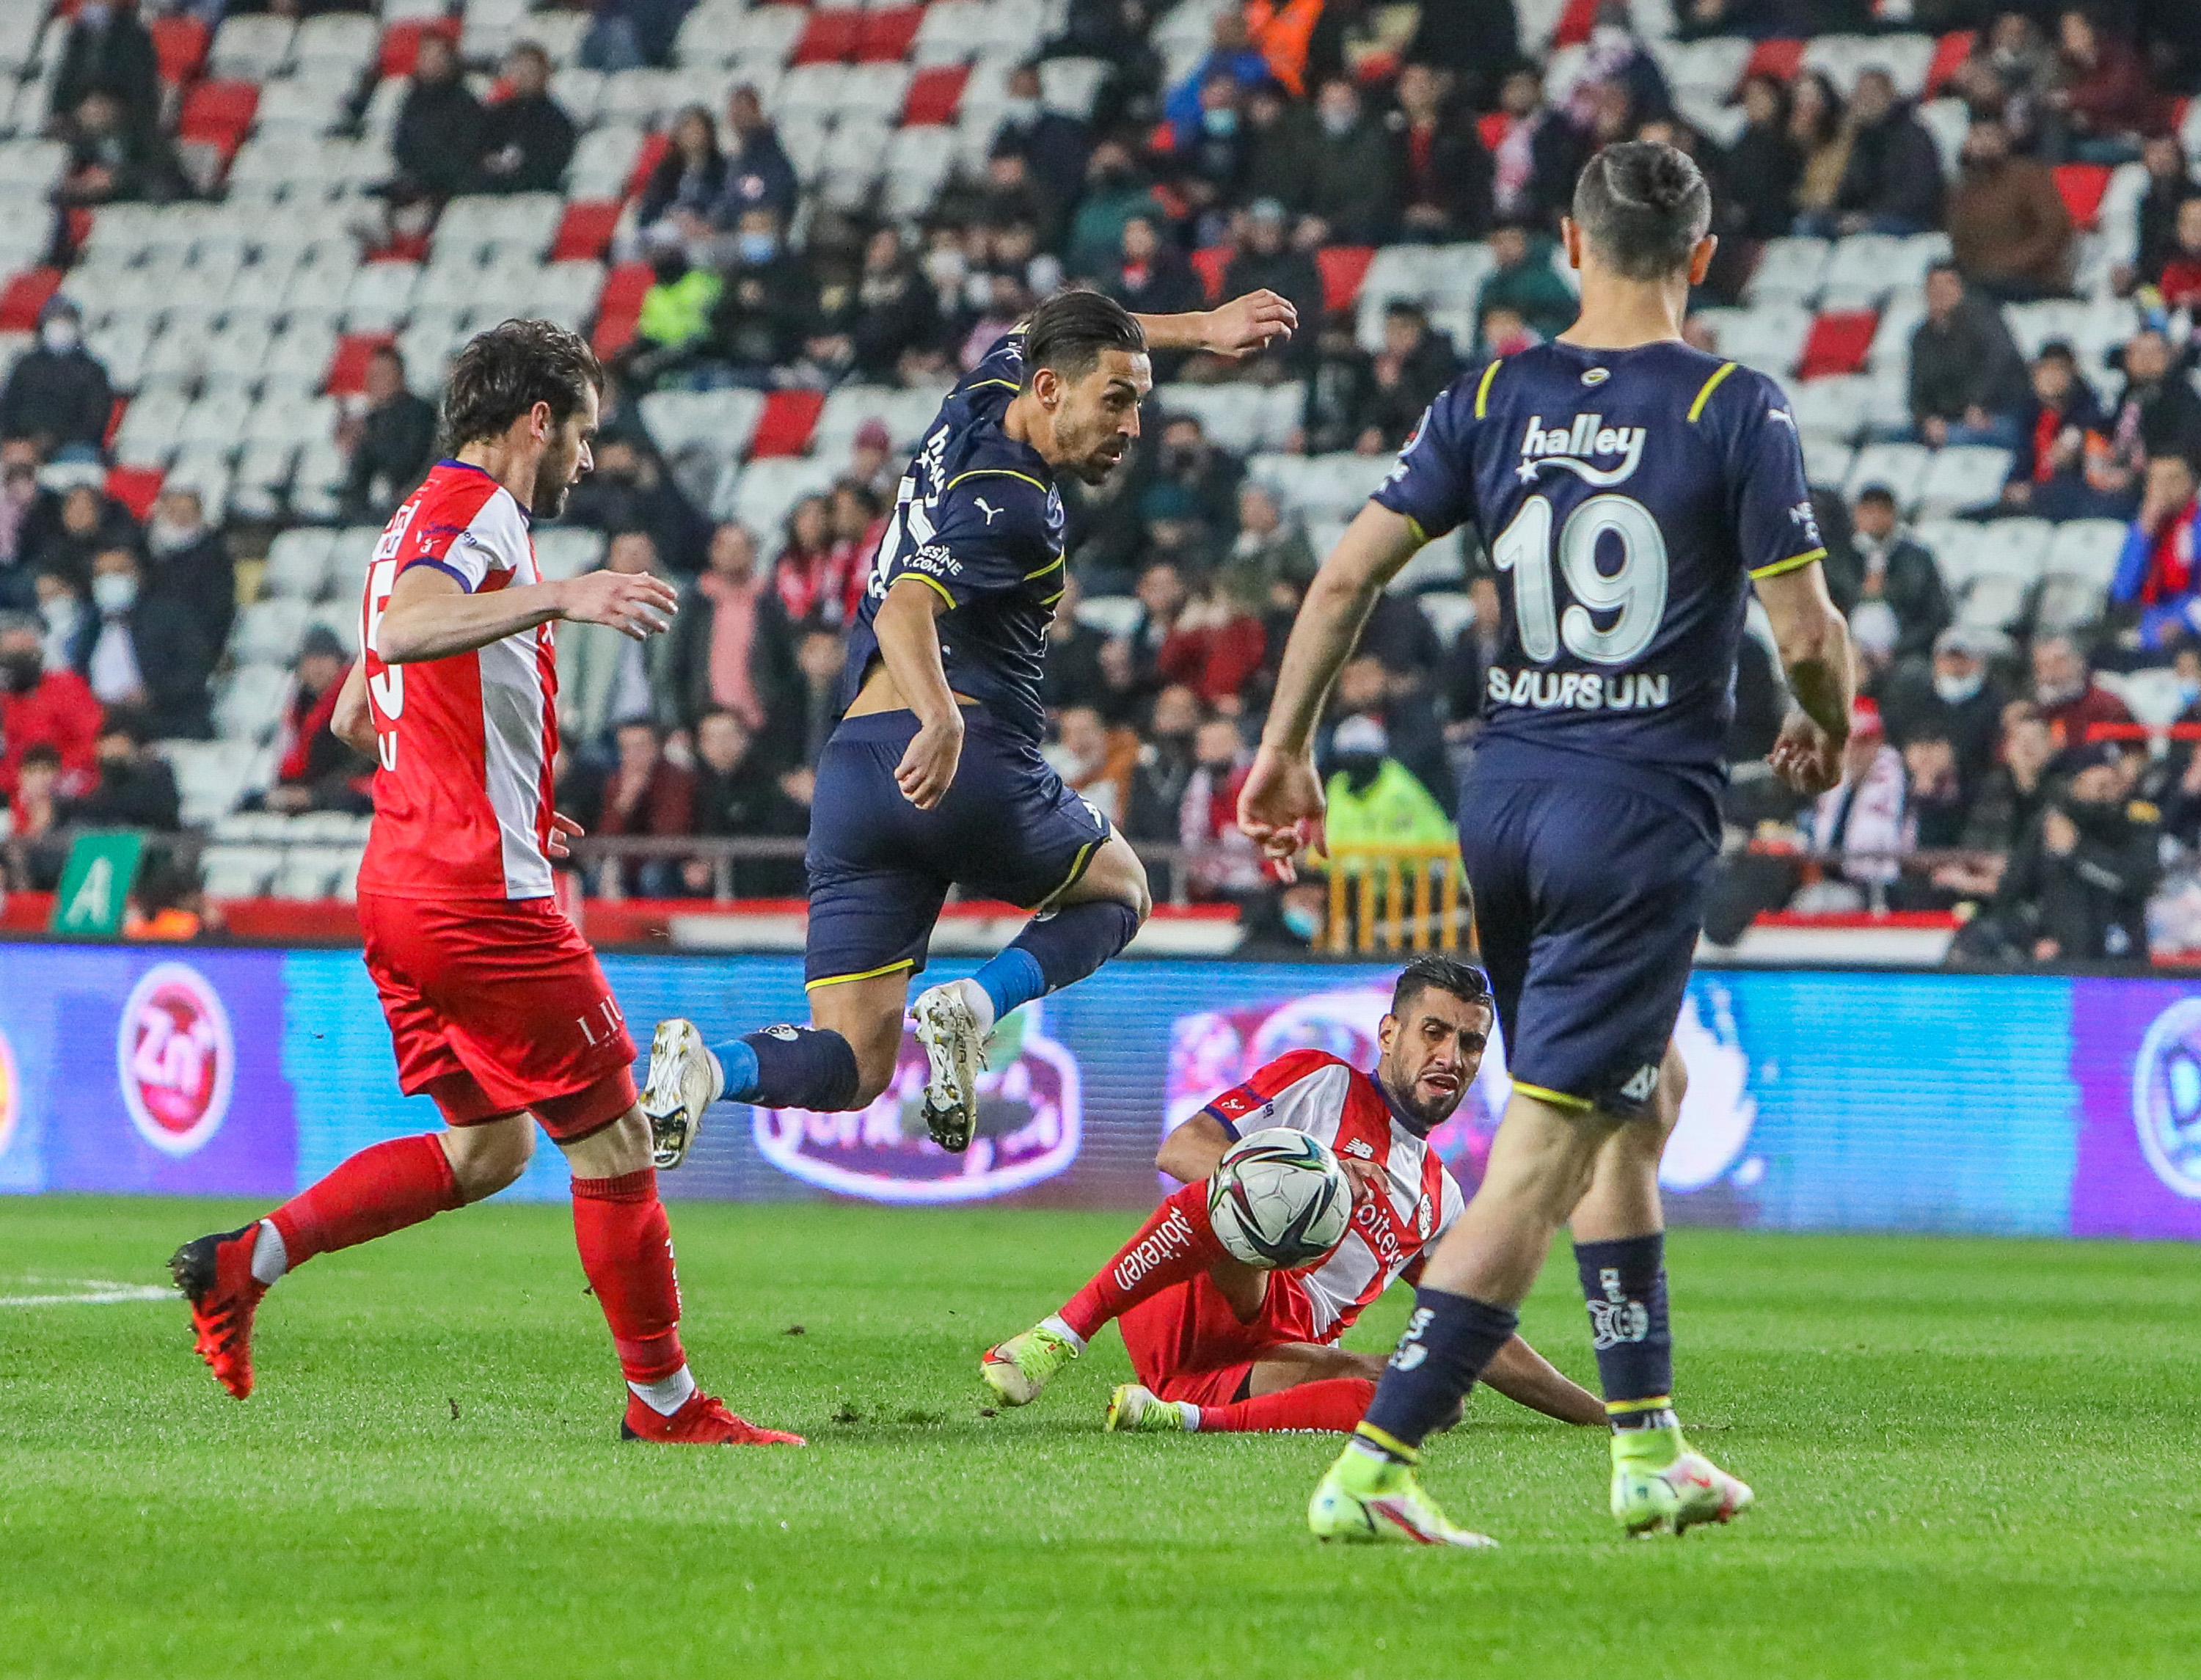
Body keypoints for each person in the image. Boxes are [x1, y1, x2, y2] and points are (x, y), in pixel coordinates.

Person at [1238, 141, 1853, 1545]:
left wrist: (1283, 750)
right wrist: (1829, 724)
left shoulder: (1491, 395)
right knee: (1549, 1146)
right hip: (1634, 816)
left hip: (1504, 804)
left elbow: (1346, 575)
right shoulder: (1730, 404)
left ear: (1570, 248)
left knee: (1643, 1097)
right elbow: (1807, 634)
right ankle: (1377, 1464)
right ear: (1703, 259)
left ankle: (1650, 1448)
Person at [169, 319, 800, 1449]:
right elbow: (412, 632)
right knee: (614, 1141)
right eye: (585, 435)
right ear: (537, 422)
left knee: (491, 1148)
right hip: (476, 898)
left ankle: (243, 1261)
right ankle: (665, 1403)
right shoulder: (479, 511)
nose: (591, 462)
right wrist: (564, 598)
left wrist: (494, 784)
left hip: (403, 881)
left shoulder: (406, 522)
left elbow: (361, 716)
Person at [640, 285, 1299, 1162]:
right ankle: (976, 1006)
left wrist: (1200, 328)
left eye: (1139, 401)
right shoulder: (1014, 500)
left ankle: (705, 1072)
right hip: (962, 759)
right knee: (1121, 889)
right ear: (1053, 392)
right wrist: (944, 718)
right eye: (1119, 401)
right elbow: (910, 605)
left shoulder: (984, 392)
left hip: (855, 776)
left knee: (855, 1061)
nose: (1133, 426)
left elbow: (1055, 325)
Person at [980, 957, 1605, 1436]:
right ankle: (1057, 1338)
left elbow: (1476, 1332)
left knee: (1436, 1394)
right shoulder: (1321, 1082)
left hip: (1269, 1361)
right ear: (1389, 1034)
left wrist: (1609, 1415)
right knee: (1270, 1189)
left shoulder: (1440, 1199)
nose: (1451, 1056)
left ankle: (1181, 1420)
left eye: (1469, 1044)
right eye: (1434, 1032)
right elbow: (1180, 1151)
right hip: (1205, 1294)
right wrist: (1320, 1176)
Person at [82, 545, 212, 739]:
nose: (109, 580)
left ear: (138, 575)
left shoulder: (169, 617)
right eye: (101, 574)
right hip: (100, 726)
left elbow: (194, 672)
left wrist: (151, 694)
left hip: (161, 723)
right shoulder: (90, 626)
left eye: (119, 572)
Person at [1946, 119, 2073, 301]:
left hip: (2032, 279)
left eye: (1988, 135)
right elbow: (1960, 242)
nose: (1981, 144)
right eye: (1975, 135)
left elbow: (2055, 230)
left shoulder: (2028, 176)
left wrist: (2011, 263)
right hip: (1980, 278)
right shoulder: (1962, 189)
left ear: (2004, 141)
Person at [1906, 263, 2028, 448]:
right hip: (1947, 421)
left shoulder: (1985, 322)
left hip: (1998, 414)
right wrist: (1927, 419)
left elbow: (2000, 365)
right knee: (1881, 438)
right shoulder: (1921, 337)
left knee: (1956, 438)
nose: (1940, 292)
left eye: (1948, 284)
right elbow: (1917, 390)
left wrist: (1978, 405)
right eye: (1933, 286)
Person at [1826, 483, 1950, 661]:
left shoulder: (1917, 559)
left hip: (1904, 654)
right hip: (1848, 650)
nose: (1875, 518)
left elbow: (1936, 615)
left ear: (1894, 514)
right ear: (1856, 514)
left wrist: (1898, 650)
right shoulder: (1839, 558)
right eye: (1869, 511)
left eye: (1882, 510)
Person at [266, 627, 373, 816]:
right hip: (316, 790)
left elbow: (362, 763)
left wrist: (313, 796)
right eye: (310, 661)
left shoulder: (358, 703)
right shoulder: (300, 707)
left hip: (351, 791)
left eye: (323, 660)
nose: (316, 668)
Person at [0, 610, 101, 800]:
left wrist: (46, 777)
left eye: (27, 649)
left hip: (65, 788)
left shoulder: (68, 686)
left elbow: (89, 742)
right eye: (11, 652)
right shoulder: (4, 702)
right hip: (11, 793)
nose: (21, 657)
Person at [0, 298, 113, 461]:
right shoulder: (26, 365)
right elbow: (8, 408)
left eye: (66, 321)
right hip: (22, 443)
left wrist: (53, 441)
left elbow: (94, 423)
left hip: (71, 445)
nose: (60, 327)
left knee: (81, 456)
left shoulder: (93, 371)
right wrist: (15, 441)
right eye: (54, 320)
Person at [2111, 451, 2201, 652]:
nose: (2163, 489)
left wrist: (2186, 622)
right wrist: (2144, 535)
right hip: (2150, 626)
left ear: (2191, 484)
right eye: (2155, 480)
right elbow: (2122, 592)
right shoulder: (2141, 529)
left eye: (2172, 479)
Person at [340, 346, 439, 522]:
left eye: (384, 374)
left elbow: (409, 462)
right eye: (373, 376)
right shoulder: (374, 418)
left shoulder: (419, 413)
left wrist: (370, 437)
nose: (377, 382)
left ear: (400, 376)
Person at [390, 32, 485, 201]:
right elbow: (401, 142)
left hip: (450, 185)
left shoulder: (464, 101)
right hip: (415, 180)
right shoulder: (412, 100)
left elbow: (468, 148)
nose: (431, 62)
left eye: (438, 56)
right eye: (426, 55)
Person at [143, 486, 234, 658]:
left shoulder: (214, 553)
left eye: (187, 512)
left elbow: (219, 606)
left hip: (193, 638)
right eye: (174, 510)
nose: (180, 517)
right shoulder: (144, 546)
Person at [475, 42, 576, 196]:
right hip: (492, 192)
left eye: (530, 69)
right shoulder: (497, 114)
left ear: (545, 74)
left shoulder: (556, 121)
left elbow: (550, 167)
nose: (523, 75)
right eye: (518, 68)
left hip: (534, 197)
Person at [2031, 631, 2131, 746]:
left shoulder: (2107, 706)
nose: (2050, 674)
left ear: (2079, 662)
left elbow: (2134, 753)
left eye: (2059, 663)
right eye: (2041, 666)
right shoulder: (2033, 712)